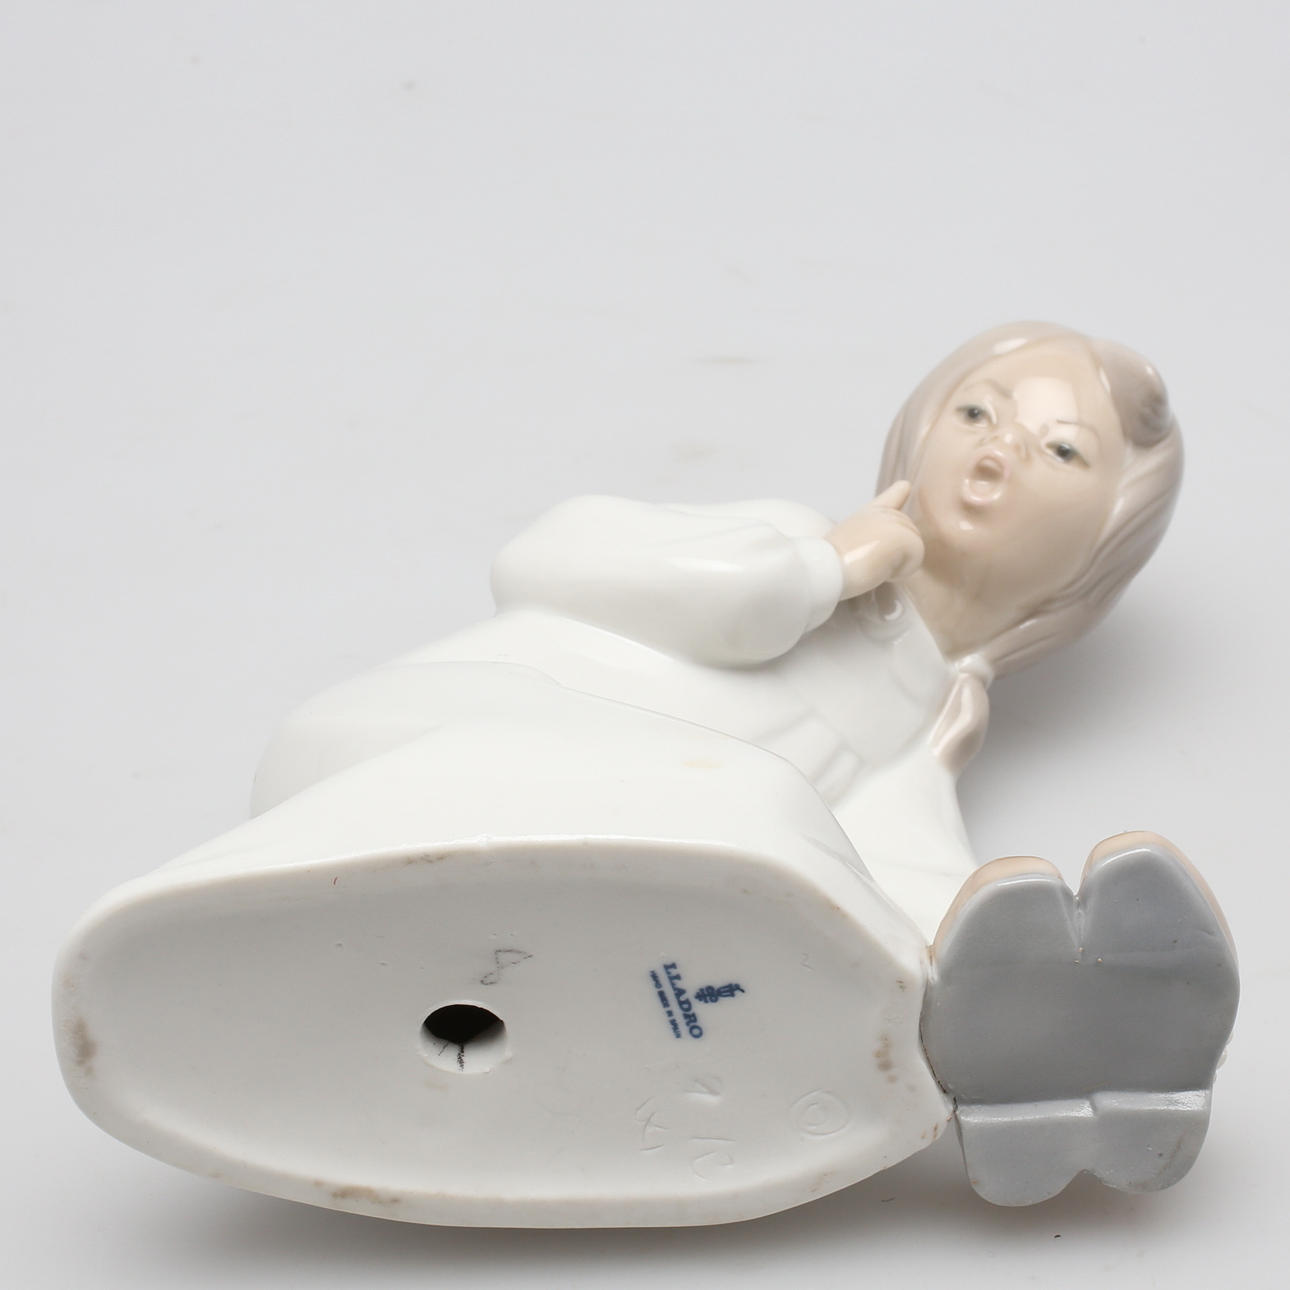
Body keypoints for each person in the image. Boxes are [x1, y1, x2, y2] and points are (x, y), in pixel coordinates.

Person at [56, 323, 1236, 1224]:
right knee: (755, 810)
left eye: (1060, 451)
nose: (998, 451)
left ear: (1095, 556)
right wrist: (817, 571)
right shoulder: (783, 541)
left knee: (827, 871)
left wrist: (984, 964)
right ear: (918, 432)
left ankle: (1018, 1045)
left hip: (605, 885)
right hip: (399, 754)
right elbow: (551, 557)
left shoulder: (919, 724)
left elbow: (888, 845)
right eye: (976, 410)